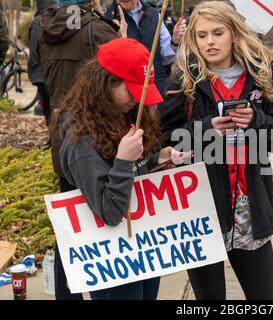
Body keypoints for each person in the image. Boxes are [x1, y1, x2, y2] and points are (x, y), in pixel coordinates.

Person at [157, 1, 273, 300]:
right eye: (202, 35)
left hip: (251, 208)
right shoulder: (183, 79)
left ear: (233, 33)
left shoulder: (263, 73)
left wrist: (256, 121)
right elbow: (163, 141)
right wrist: (206, 129)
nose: (209, 42)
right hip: (202, 208)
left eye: (217, 33)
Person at [50, 37, 180, 300]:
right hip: (112, 256)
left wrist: (155, 159)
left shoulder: (122, 113)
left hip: (142, 245)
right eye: (132, 91)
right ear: (106, 82)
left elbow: (134, 171)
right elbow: (109, 212)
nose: (137, 100)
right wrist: (124, 161)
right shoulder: (81, 139)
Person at [39, 0, 126, 300]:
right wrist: (122, 37)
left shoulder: (42, 29)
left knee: (71, 227)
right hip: (98, 140)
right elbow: (126, 71)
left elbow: (39, 82)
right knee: (101, 225)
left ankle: (68, 294)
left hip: (63, 138)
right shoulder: (99, 29)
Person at [104, 0, 186, 90]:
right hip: (129, 91)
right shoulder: (106, 17)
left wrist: (175, 41)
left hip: (158, 87)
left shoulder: (154, 14)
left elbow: (165, 57)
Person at [28, 0, 59, 124]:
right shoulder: (60, 19)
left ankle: (52, 139)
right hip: (56, 72)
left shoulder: (39, 20)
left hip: (42, 74)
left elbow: (33, 49)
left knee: (47, 109)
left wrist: (34, 68)